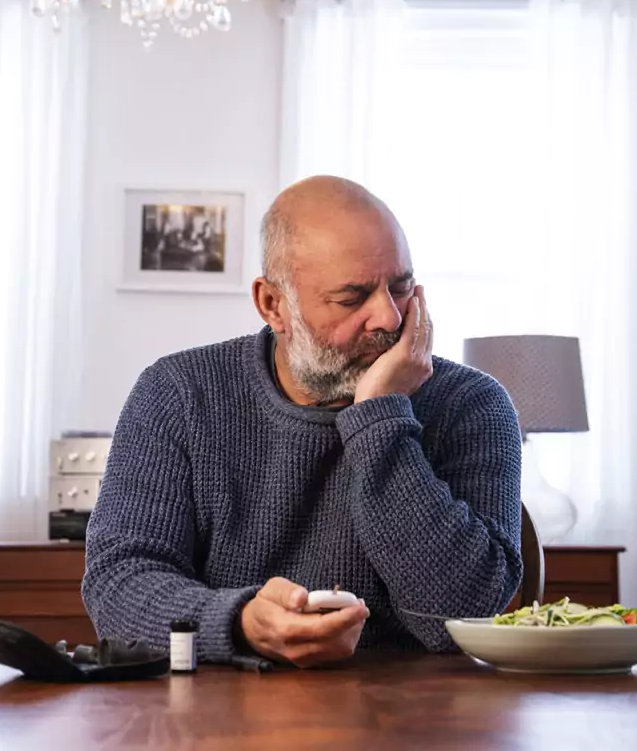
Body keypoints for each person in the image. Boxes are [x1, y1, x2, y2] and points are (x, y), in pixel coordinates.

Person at [82, 175, 523, 668]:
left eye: (401, 288)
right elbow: (119, 584)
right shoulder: (179, 393)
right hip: (222, 713)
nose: (390, 319)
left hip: (413, 714)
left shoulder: (473, 404)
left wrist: (380, 416)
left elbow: (459, 615)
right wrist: (241, 623)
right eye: (352, 299)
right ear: (273, 304)